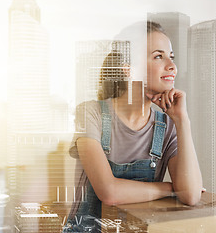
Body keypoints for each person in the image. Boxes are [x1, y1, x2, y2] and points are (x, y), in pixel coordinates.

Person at [64, 21, 203, 232]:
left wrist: (182, 121)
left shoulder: (166, 127)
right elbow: (109, 192)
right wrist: (170, 188)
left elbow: (191, 195)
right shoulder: (91, 114)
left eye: (171, 57)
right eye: (158, 56)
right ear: (129, 68)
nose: (172, 66)